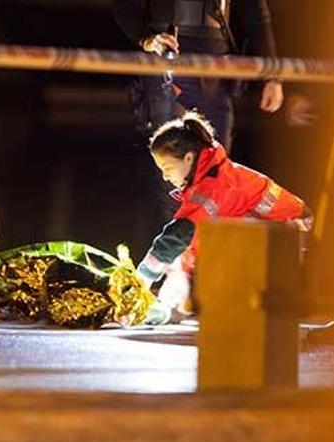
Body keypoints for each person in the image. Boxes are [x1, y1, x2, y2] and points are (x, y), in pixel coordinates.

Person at [136, 111, 312, 322]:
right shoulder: (212, 179)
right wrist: (169, 299)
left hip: (293, 238)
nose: (165, 176)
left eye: (168, 168)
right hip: (283, 237)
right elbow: (191, 243)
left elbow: (179, 235)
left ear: (189, 158)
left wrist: (140, 279)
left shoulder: (216, 187)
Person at [113, 0, 284, 150]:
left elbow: (256, 17)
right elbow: (124, 6)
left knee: (215, 160)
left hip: (214, 67)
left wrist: (271, 76)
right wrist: (148, 39)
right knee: (172, 156)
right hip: (168, 60)